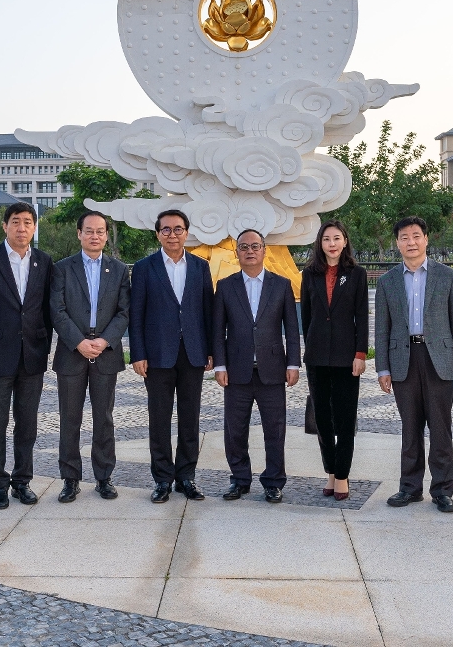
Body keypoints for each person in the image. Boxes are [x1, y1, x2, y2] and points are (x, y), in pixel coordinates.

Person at [375, 216, 453, 511]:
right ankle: (410, 487)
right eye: (404, 237)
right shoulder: (388, 281)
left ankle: (442, 490)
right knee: (410, 426)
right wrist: (383, 367)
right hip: (403, 359)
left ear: (426, 239)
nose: (411, 242)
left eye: (416, 236)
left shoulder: (448, 276)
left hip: (438, 358)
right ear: (397, 243)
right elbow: (382, 328)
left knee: (440, 426)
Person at [0, 201, 53, 509]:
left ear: (34, 227)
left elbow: (47, 309)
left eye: (27, 222)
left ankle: (22, 481)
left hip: (32, 355)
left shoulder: (44, 261)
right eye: (16, 221)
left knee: (27, 424)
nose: (21, 227)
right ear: (5, 226)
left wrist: (45, 345)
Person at [129, 209, 215, 503]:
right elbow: (136, 314)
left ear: (186, 233)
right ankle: (163, 479)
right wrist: (138, 353)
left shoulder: (201, 267)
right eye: (166, 229)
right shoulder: (144, 268)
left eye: (178, 229)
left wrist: (211, 350)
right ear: (158, 234)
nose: (172, 234)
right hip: (157, 355)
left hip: (193, 353)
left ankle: (186, 477)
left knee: (190, 418)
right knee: (159, 419)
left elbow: (208, 311)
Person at [213, 229, 301, 503]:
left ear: (264, 250)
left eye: (255, 246)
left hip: (272, 370)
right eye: (244, 247)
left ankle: (273, 481)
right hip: (236, 371)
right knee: (235, 430)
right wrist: (220, 365)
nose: (249, 251)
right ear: (237, 252)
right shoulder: (225, 286)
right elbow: (218, 330)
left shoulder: (282, 285)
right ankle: (239, 479)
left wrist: (293, 363)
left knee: (275, 429)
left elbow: (291, 328)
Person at [50, 210, 131, 503]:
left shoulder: (118, 269)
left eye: (100, 231)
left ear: (106, 235)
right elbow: (57, 310)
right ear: (79, 234)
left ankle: (104, 477)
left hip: (105, 352)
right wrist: (79, 342)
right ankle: (70, 479)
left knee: (104, 418)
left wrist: (105, 340)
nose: (94, 236)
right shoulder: (62, 268)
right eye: (89, 231)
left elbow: (124, 311)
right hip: (72, 352)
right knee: (69, 418)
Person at [299, 220, 368, 502]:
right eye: (326, 239)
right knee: (322, 419)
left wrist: (360, 354)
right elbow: (306, 316)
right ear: (320, 243)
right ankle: (330, 471)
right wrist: (311, 346)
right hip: (317, 357)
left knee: (345, 418)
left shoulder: (356, 274)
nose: (332, 244)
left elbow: (361, 316)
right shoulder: (309, 274)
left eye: (337, 238)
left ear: (345, 241)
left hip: (346, 357)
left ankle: (342, 475)